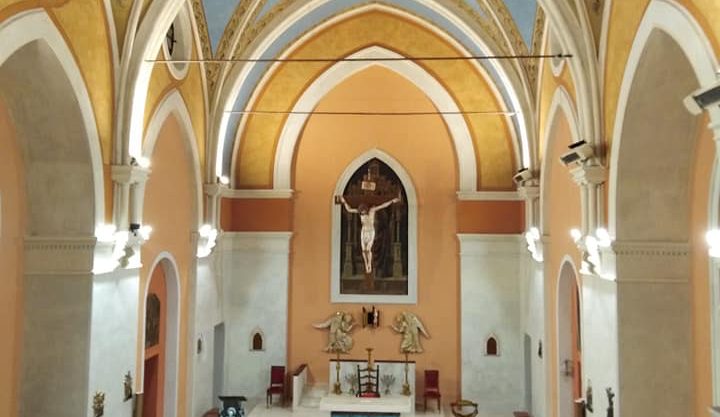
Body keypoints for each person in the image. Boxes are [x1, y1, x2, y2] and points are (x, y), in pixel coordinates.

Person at [338, 194, 401, 274]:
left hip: (370, 232)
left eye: (363, 212)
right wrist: (344, 201)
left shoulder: (372, 211)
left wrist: (392, 201)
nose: (362, 214)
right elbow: (349, 209)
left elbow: (382, 206)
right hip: (364, 232)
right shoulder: (360, 212)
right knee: (363, 251)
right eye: (361, 213)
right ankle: (366, 264)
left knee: (368, 250)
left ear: (366, 210)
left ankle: (369, 264)